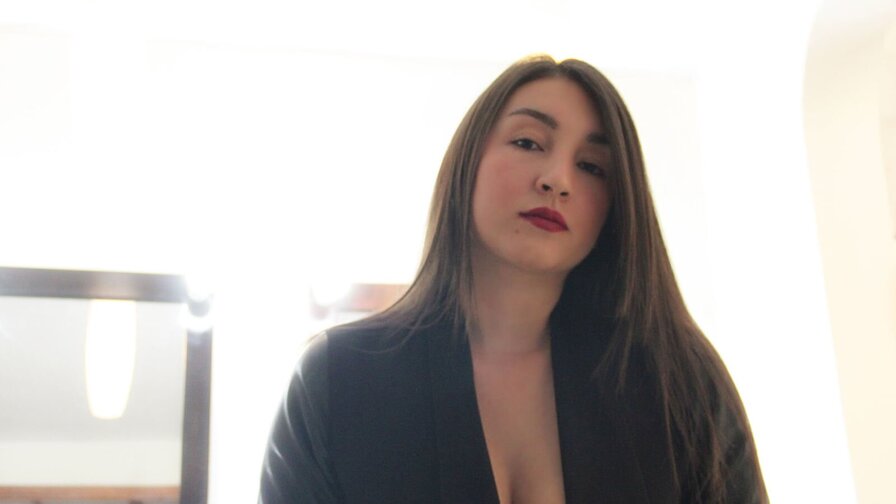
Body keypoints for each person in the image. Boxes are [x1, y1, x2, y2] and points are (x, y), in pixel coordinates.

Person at [259, 55, 768, 503]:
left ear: (616, 206)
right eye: (528, 142)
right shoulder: (338, 379)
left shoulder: (678, 382)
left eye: (592, 167)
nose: (557, 180)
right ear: (468, 162)